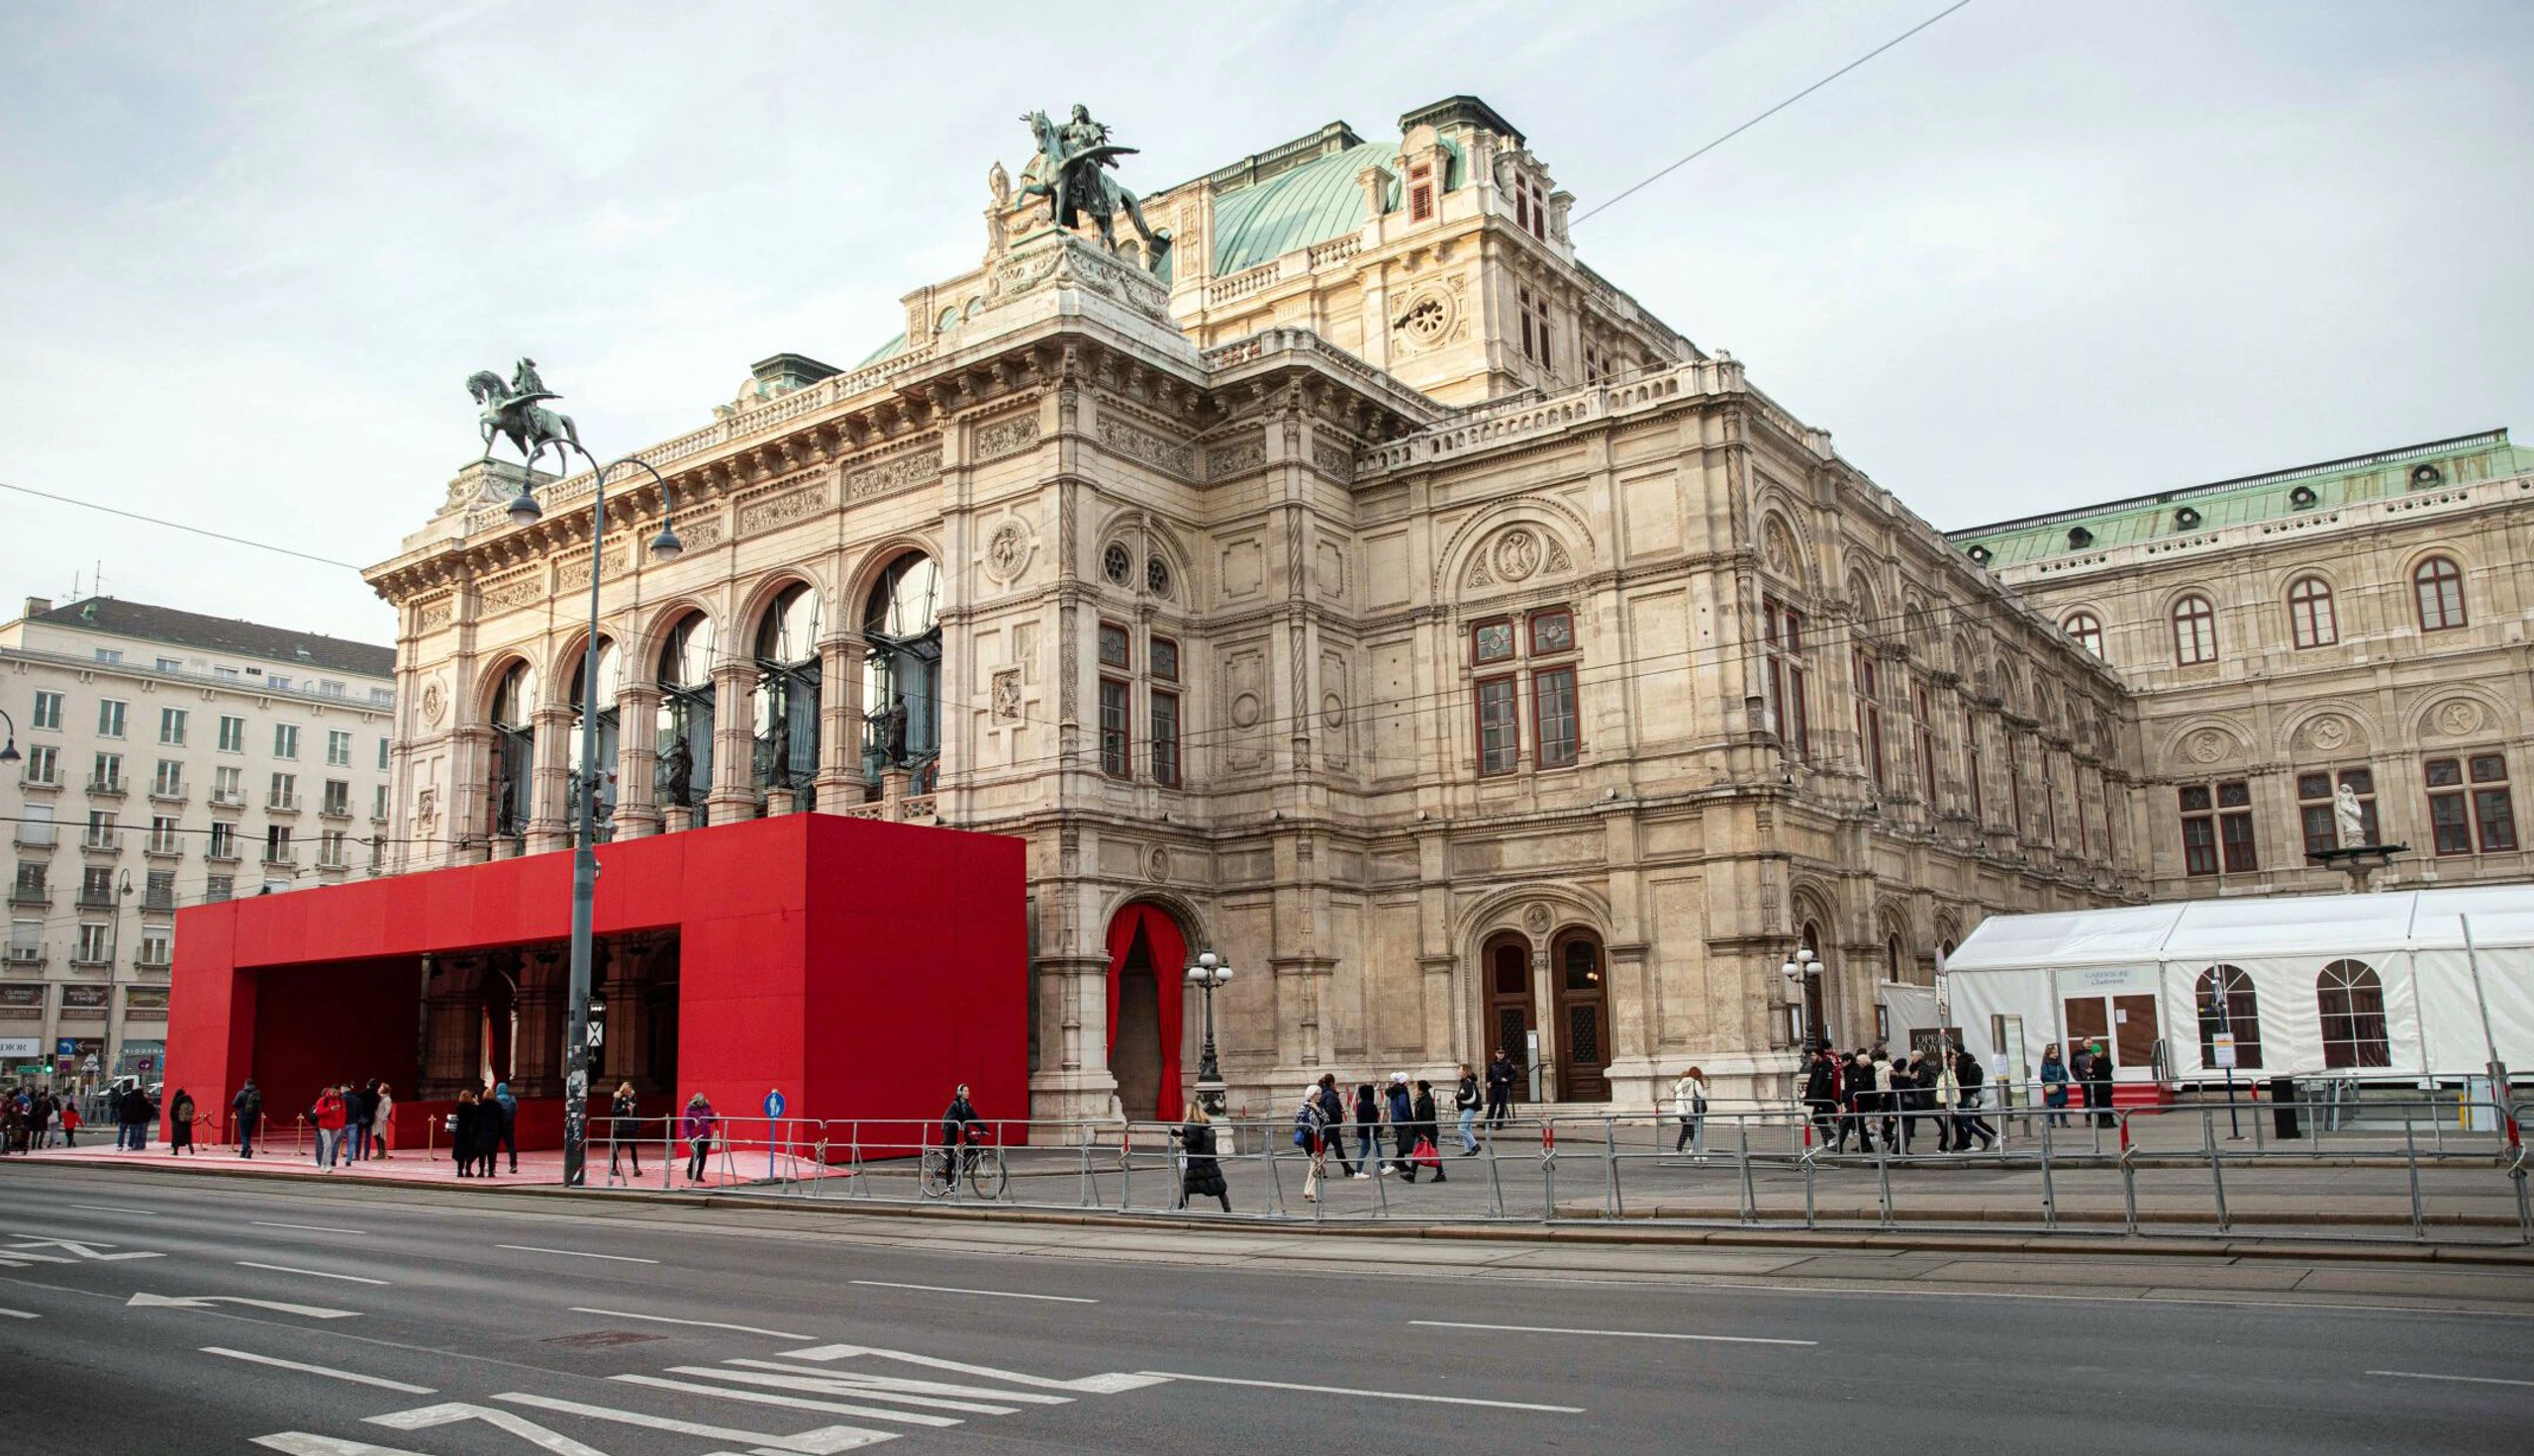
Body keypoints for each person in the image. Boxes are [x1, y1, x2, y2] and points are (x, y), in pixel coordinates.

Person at [1173, 1102, 1230, 1213]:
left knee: (1187, 1185)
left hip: (1196, 1160)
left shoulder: (1191, 1125)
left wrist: (1181, 1139)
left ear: (1190, 1111)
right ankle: (1226, 1207)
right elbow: (1196, 1138)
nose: (1185, 1110)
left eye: (1187, 1109)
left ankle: (1181, 1207)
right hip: (1207, 1159)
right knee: (1217, 1184)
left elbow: (1193, 1140)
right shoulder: (1204, 1123)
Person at [1955, 1046, 1997, 1152]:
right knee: (1964, 1120)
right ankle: (1965, 1142)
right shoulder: (1968, 1063)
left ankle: (1985, 1136)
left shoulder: (1962, 1063)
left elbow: (1959, 1079)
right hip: (1968, 1095)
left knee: (1967, 1120)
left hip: (1964, 1095)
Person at [938, 1083, 980, 1188]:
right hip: (951, 1134)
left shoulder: (967, 1105)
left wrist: (984, 1129)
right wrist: (957, 1125)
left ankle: (960, 1166)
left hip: (960, 1134)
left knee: (972, 1146)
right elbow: (948, 1120)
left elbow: (975, 1118)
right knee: (951, 1158)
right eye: (965, 1091)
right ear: (960, 1093)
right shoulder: (955, 1105)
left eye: (968, 1091)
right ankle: (948, 1184)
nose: (968, 1093)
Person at [1314, 1074, 1355, 1179]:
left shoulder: (1322, 1093)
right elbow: (1331, 1108)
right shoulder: (1330, 1095)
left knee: (1323, 1147)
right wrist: (1339, 1116)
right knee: (1336, 1146)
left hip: (1325, 1124)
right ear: (1331, 1083)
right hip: (1330, 1124)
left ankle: (1319, 1168)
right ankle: (1346, 1168)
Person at [1411, 1079, 1447, 1183]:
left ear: (1421, 1089)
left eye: (1416, 1088)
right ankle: (1413, 1173)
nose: (1414, 1090)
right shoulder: (1422, 1099)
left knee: (1432, 1151)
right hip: (1423, 1131)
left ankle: (1440, 1173)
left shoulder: (1426, 1101)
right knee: (1419, 1150)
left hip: (1428, 1132)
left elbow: (1428, 1119)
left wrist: (1425, 1134)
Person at [1802, 1048, 1839, 1147]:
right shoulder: (1817, 1066)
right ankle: (1826, 1138)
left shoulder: (1825, 1066)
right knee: (1818, 1117)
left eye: (1813, 1055)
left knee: (1818, 1117)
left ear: (1819, 1055)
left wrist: (1820, 1095)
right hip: (1819, 1098)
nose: (1812, 1058)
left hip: (1823, 1098)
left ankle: (1830, 1136)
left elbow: (1826, 1083)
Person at [608, 1081, 642, 1180]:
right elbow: (614, 1112)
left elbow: (637, 1112)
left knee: (633, 1147)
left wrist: (638, 1125)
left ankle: (636, 1168)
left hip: (631, 1125)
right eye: (627, 1092)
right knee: (618, 1147)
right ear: (623, 1091)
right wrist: (626, 1109)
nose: (628, 1093)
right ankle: (614, 1167)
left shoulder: (633, 1098)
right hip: (620, 1126)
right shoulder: (618, 1098)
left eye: (629, 1091)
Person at [681, 1092, 718, 1186]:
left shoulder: (707, 1106)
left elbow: (710, 1119)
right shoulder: (689, 1108)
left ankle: (699, 1174)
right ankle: (690, 1169)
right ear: (696, 1101)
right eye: (699, 1103)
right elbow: (685, 1123)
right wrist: (686, 1135)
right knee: (697, 1153)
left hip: (705, 1134)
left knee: (703, 1155)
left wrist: (715, 1117)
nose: (701, 1104)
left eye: (702, 1102)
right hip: (695, 1135)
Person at [1384, 1073, 1415, 1180]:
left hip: (1396, 1118)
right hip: (1402, 1119)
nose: (1408, 1082)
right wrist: (1408, 1117)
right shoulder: (1401, 1091)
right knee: (1404, 1140)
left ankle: (1400, 1162)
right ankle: (1398, 1160)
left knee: (1401, 1140)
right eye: (1407, 1080)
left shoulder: (1394, 1090)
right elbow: (1403, 1106)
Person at [1672, 1067, 1708, 1157]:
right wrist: (1705, 1091)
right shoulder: (1693, 1083)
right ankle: (1694, 1151)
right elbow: (1701, 1095)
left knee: (1690, 1130)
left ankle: (1693, 1149)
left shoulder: (1680, 1086)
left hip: (1683, 1111)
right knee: (1692, 1131)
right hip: (1689, 1111)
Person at [311, 1084, 347, 1170]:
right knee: (328, 1145)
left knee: (330, 1146)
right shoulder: (323, 1100)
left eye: (337, 1093)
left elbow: (343, 1114)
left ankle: (323, 1164)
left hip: (336, 1127)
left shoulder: (341, 1101)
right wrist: (330, 1110)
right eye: (334, 1092)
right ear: (331, 1090)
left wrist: (341, 1126)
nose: (336, 1094)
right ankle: (327, 1165)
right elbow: (318, 1113)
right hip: (324, 1126)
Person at [2039, 1043, 2072, 1128]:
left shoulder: (2059, 1063)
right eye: (2053, 1053)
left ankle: (2064, 1121)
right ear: (2049, 1054)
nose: (2055, 1054)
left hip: (2061, 1087)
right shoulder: (2045, 1064)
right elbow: (2045, 1074)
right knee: (2052, 1105)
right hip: (2052, 1086)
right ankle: (2051, 1122)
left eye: (2056, 1052)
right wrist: (2057, 1081)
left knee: (2062, 1105)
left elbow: (2065, 1073)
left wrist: (2065, 1080)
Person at [2087, 1039, 2117, 1128]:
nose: (2098, 1053)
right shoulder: (2093, 1061)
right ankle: (2102, 1121)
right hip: (2097, 1088)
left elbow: (2106, 1071)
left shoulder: (2105, 1060)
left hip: (2105, 1087)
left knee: (2107, 1103)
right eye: (2096, 1052)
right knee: (2099, 1105)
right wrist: (2089, 1073)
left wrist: (2094, 1071)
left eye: (2099, 1051)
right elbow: (2091, 1072)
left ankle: (2109, 1120)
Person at [1351, 1082, 1379, 1179]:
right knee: (1363, 1152)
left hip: (1366, 1131)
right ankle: (1358, 1171)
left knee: (1377, 1148)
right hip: (1368, 1132)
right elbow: (1372, 1119)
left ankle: (1383, 1166)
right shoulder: (1369, 1105)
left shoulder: (1362, 1104)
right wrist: (1378, 1128)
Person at [492, 1081, 520, 1173]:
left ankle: (492, 1167)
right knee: (511, 1146)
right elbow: (516, 1111)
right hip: (509, 1126)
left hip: (497, 1126)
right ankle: (513, 1165)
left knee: (494, 1146)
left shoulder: (495, 1100)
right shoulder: (512, 1099)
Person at [1484, 1048, 1516, 1128]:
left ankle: (1499, 1124)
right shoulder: (1492, 1064)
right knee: (1492, 1106)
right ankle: (1488, 1123)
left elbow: (1514, 1075)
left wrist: (1507, 1079)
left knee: (1502, 1106)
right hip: (1494, 1087)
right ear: (1496, 1054)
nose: (1500, 1054)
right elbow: (1489, 1075)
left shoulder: (1508, 1064)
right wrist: (1488, 1082)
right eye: (1499, 1053)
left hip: (1503, 1087)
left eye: (1502, 1053)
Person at [1453, 1064, 1481, 1155]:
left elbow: (1468, 1094)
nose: (1458, 1071)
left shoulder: (1468, 1081)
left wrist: (1457, 1096)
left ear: (1464, 1071)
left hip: (1470, 1107)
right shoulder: (1466, 1081)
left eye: (1460, 1069)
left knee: (1462, 1128)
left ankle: (1475, 1145)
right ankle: (1468, 1150)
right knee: (1467, 1129)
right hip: (1467, 1107)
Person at [451, 1089, 481, 1177]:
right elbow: (477, 1116)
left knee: (460, 1152)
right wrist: (476, 1103)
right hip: (469, 1132)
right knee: (469, 1151)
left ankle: (459, 1170)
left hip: (460, 1131)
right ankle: (468, 1170)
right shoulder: (472, 1107)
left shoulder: (458, 1106)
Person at [231, 1079, 259, 1158]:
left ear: (246, 1084)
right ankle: (244, 1153)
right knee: (248, 1134)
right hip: (253, 1117)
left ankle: (248, 1148)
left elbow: (234, 1104)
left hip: (243, 1116)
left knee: (243, 1135)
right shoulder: (257, 1094)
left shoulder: (241, 1093)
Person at [167, 1088, 196, 1156]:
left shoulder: (177, 1100)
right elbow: (193, 1109)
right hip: (187, 1121)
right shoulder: (189, 1100)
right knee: (187, 1135)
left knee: (176, 1136)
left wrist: (173, 1118)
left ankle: (175, 1151)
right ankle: (190, 1145)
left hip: (178, 1121)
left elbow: (172, 1110)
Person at [371, 1082, 395, 1159]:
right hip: (376, 1119)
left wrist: (382, 1118)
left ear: (384, 1090)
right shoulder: (379, 1097)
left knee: (381, 1136)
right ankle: (379, 1152)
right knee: (376, 1136)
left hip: (381, 1120)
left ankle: (382, 1153)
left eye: (380, 1088)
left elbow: (388, 1110)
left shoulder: (387, 1099)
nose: (379, 1089)